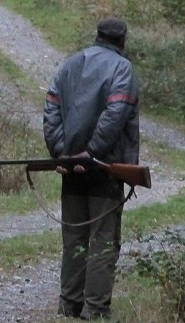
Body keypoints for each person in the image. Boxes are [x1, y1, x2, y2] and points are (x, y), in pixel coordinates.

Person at [43, 16, 140, 320]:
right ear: (122, 41)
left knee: (74, 237)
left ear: (97, 36)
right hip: (105, 168)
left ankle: (69, 305)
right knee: (102, 240)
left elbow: (51, 110)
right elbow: (115, 114)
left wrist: (63, 153)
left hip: (72, 167)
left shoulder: (71, 64)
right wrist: (92, 154)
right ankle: (95, 309)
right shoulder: (122, 68)